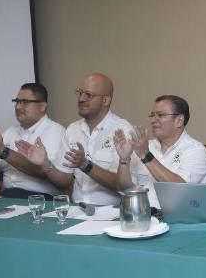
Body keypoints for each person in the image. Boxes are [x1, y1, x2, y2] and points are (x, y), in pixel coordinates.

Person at [17, 73, 131, 205]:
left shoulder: (123, 131)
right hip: (77, 209)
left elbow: (125, 186)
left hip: (111, 211)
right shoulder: (73, 130)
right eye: (80, 93)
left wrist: (86, 165)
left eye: (88, 95)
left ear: (105, 100)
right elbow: (64, 182)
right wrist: (46, 165)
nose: (81, 99)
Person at [113, 95, 206, 208]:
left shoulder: (195, 151)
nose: (153, 120)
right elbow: (123, 189)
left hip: (175, 216)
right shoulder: (146, 146)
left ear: (179, 120)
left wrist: (146, 156)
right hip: (140, 213)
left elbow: (180, 190)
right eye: (152, 115)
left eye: (160, 115)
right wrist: (124, 159)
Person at [0, 83, 65, 199]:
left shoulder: (55, 131)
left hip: (40, 199)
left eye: (25, 102)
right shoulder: (9, 132)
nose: (18, 107)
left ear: (42, 106)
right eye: (17, 101)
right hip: (8, 196)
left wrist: (3, 151)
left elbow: (41, 171)